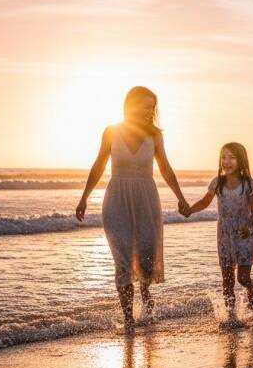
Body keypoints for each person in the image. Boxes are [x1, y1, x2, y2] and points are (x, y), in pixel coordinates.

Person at [76, 86, 189, 333]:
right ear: (132, 105)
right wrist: (84, 197)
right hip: (117, 199)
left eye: (153, 107)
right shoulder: (111, 132)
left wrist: (181, 197)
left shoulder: (155, 135)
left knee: (146, 258)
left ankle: (146, 296)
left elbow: (166, 168)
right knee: (123, 260)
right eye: (146, 106)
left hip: (146, 199)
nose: (150, 111)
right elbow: (98, 166)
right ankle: (128, 320)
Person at [185, 142, 253, 312]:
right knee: (227, 280)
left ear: (241, 160)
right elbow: (205, 202)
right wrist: (190, 210)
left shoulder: (248, 183)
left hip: (244, 235)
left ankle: (250, 288)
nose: (226, 161)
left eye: (232, 157)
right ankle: (230, 315)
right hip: (225, 235)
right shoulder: (217, 182)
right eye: (223, 158)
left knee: (242, 278)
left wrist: (248, 225)